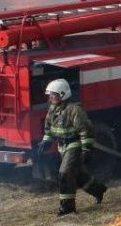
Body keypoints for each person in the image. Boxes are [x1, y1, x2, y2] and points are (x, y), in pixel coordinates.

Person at [41, 79, 106, 216]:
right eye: (50, 94)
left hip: (74, 144)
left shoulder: (74, 109)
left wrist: (86, 148)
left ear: (62, 94)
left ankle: (67, 208)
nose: (50, 97)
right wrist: (46, 141)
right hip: (62, 146)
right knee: (79, 175)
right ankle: (98, 190)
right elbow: (49, 129)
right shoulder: (53, 109)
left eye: (54, 94)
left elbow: (86, 129)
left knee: (65, 173)